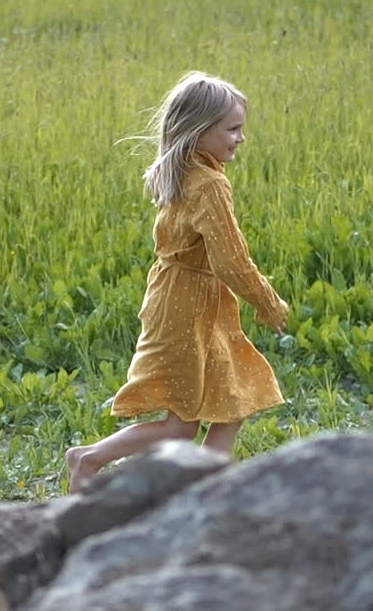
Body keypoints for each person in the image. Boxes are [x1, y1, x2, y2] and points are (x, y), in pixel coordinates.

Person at [65, 71, 290, 494]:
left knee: (233, 399)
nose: (241, 138)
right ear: (199, 130)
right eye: (233, 129)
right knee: (181, 425)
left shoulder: (186, 171)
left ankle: (204, 486)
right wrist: (268, 302)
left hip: (189, 301)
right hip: (188, 308)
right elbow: (231, 260)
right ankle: (89, 458)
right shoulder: (210, 184)